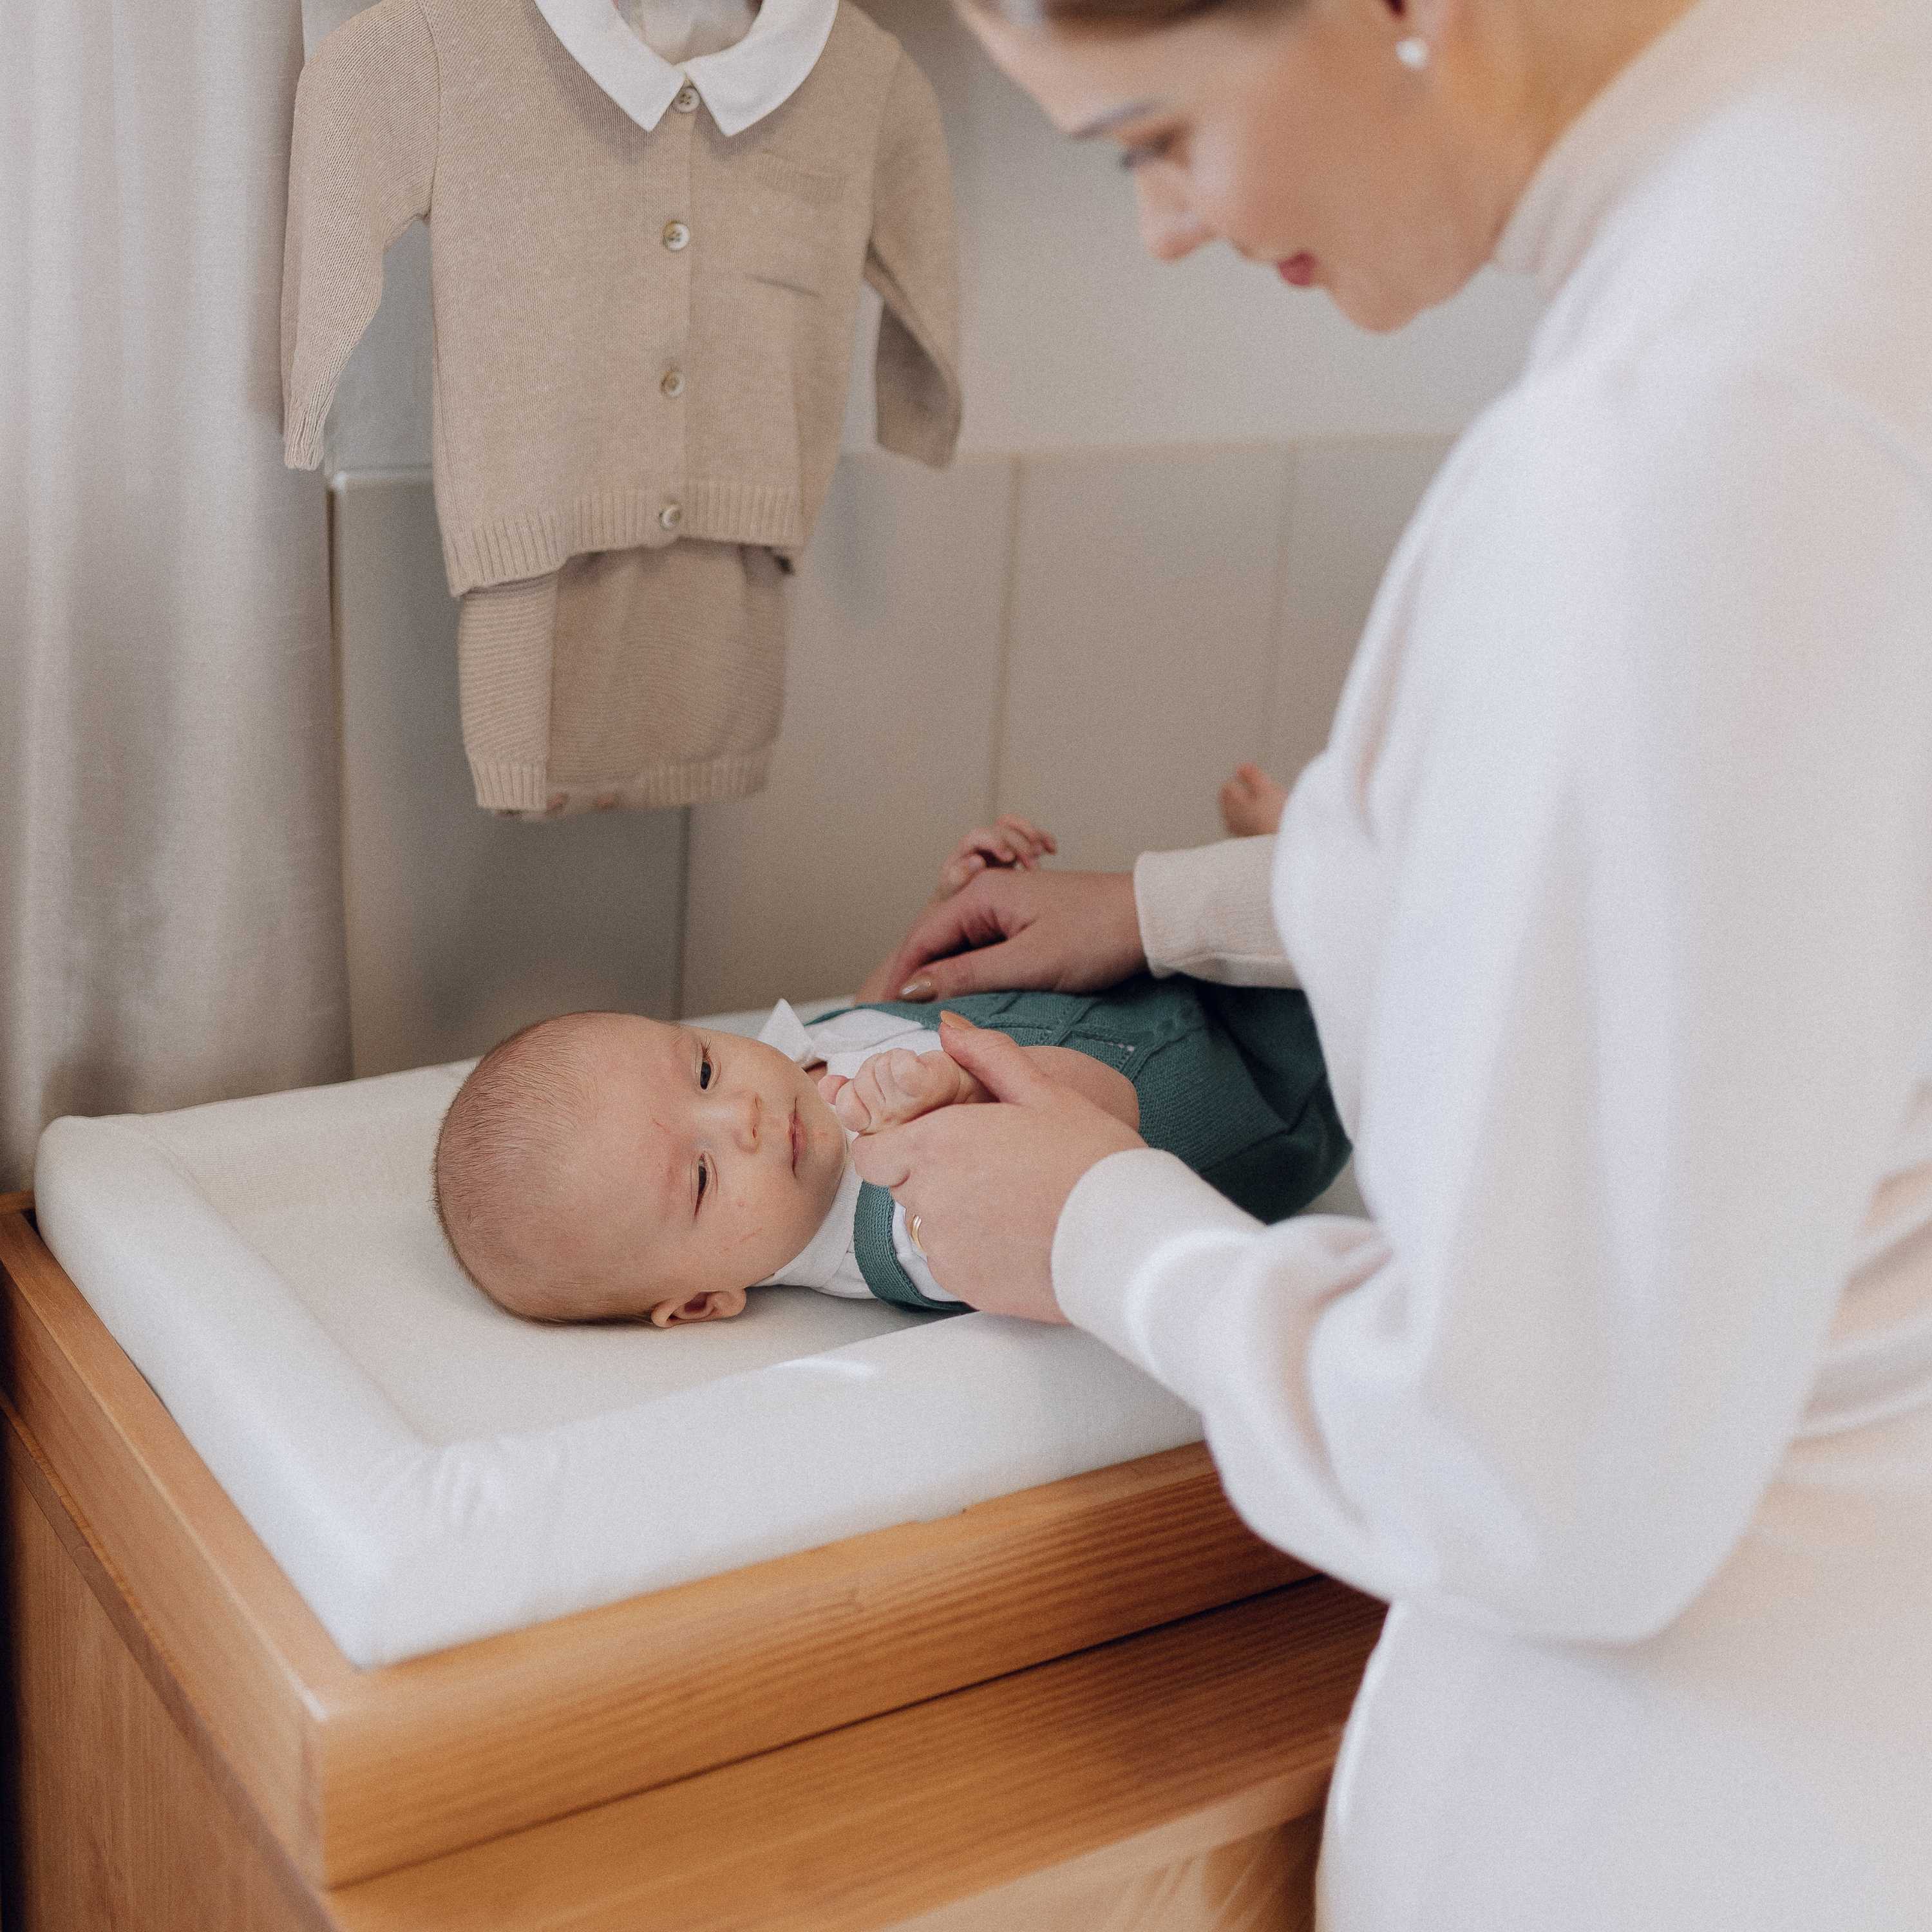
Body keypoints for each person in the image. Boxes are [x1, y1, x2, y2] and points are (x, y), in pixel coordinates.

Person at [844, 0, 1932, 1926]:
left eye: (1155, 137)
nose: (1164, 228)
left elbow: (1540, 1480)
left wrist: (1104, 1231)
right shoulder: (1858, 159)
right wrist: (1187, 908)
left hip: (1717, 1791)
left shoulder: (1673, 445)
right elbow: (1758, 871)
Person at [431, 814, 1343, 1325]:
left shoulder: (789, 1079)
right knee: (1379, 978)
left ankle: (1303, 865)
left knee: (1303, 920)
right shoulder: (907, 1233)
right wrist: (965, 1096)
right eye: (703, 1178)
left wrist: (942, 918)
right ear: (706, 1298)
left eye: (702, 1070)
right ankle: (1316, 866)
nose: (740, 1115)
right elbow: (1101, 1140)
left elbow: (885, 1011)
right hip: (1277, 1084)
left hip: (1168, 979)